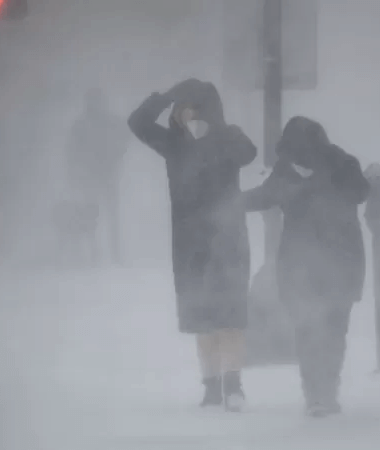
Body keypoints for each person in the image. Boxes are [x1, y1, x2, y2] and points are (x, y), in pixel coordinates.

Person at [128, 78, 257, 412]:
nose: (183, 114)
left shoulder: (228, 137)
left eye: (188, 106)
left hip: (229, 240)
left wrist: (219, 132)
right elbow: (137, 123)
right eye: (179, 108)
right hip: (189, 244)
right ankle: (211, 387)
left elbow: (249, 152)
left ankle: (233, 386)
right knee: (202, 318)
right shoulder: (174, 143)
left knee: (230, 317)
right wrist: (165, 95)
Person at [240, 116, 369, 417]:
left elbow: (361, 192)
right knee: (307, 326)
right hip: (301, 263)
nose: (294, 160)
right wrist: (228, 201)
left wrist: (314, 180)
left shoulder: (342, 163)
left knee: (334, 327)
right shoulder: (286, 169)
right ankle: (315, 393)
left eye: (297, 153)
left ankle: (327, 389)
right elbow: (264, 196)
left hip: (340, 260)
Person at [65, 88, 130, 265]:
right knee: (94, 216)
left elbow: (124, 139)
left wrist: (117, 156)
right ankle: (99, 253)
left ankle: (110, 253)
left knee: (106, 215)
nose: (96, 104)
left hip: (104, 175)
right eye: (94, 101)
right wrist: (74, 172)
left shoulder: (106, 122)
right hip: (93, 176)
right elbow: (71, 151)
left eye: (97, 101)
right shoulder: (83, 124)